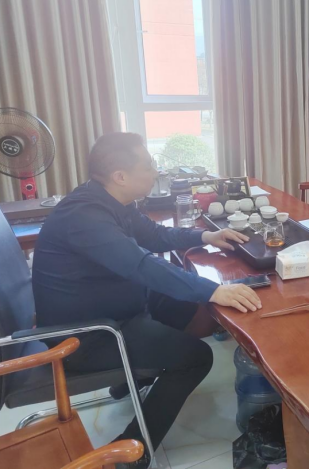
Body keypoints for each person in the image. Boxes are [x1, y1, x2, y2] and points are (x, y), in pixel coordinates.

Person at [32, 132, 261, 467]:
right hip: (86, 335)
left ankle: (132, 379)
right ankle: (132, 450)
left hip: (111, 306)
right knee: (196, 358)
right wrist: (213, 290)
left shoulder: (110, 201)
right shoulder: (85, 216)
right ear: (120, 176)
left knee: (191, 308)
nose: (156, 172)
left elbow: (154, 235)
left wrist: (206, 235)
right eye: (149, 165)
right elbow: (140, 264)